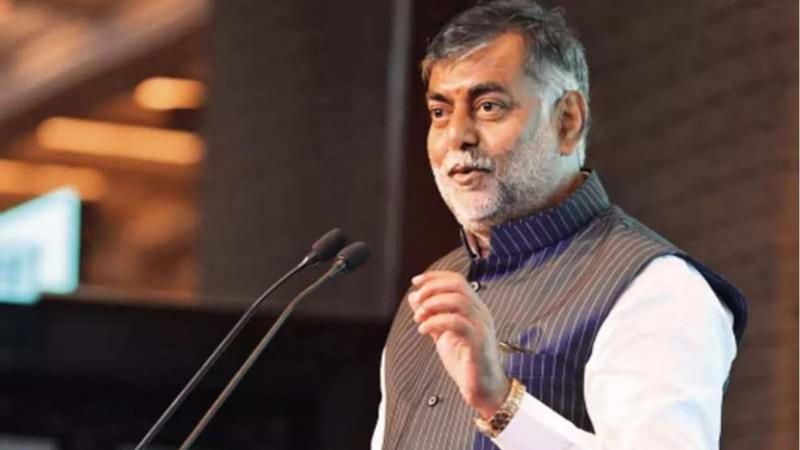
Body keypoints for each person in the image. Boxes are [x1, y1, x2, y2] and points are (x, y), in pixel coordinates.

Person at [370, 1, 748, 449]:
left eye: (489, 106)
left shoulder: (655, 285)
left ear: (568, 121)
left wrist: (501, 402)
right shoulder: (431, 289)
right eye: (440, 112)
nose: (457, 136)